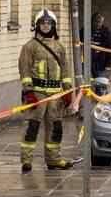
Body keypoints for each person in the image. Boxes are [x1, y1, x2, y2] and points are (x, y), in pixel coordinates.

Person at [19, 9, 75, 172]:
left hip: (55, 95)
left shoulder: (60, 47)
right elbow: (24, 70)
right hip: (36, 94)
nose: (45, 25)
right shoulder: (30, 46)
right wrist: (28, 92)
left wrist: (68, 92)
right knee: (32, 127)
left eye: (48, 23)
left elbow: (65, 71)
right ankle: (26, 161)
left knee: (55, 128)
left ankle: (54, 160)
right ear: (37, 25)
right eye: (42, 23)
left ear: (53, 25)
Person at [89, 13, 111, 78]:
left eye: (99, 22)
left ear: (102, 22)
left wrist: (108, 65)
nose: (98, 24)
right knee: (84, 83)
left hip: (100, 63)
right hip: (87, 62)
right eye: (96, 22)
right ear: (92, 21)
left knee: (100, 84)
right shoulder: (85, 31)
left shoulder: (107, 33)